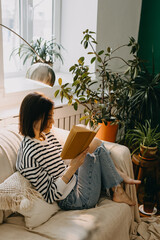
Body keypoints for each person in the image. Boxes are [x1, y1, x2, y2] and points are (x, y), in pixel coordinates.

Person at [16, 92, 141, 210]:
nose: (52, 122)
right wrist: (72, 167)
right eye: (49, 117)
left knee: (95, 143)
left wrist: (75, 152)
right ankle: (118, 183)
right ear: (35, 118)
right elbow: (50, 195)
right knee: (91, 153)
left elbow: (61, 161)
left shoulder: (45, 135)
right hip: (74, 198)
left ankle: (117, 185)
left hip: (75, 180)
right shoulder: (29, 156)